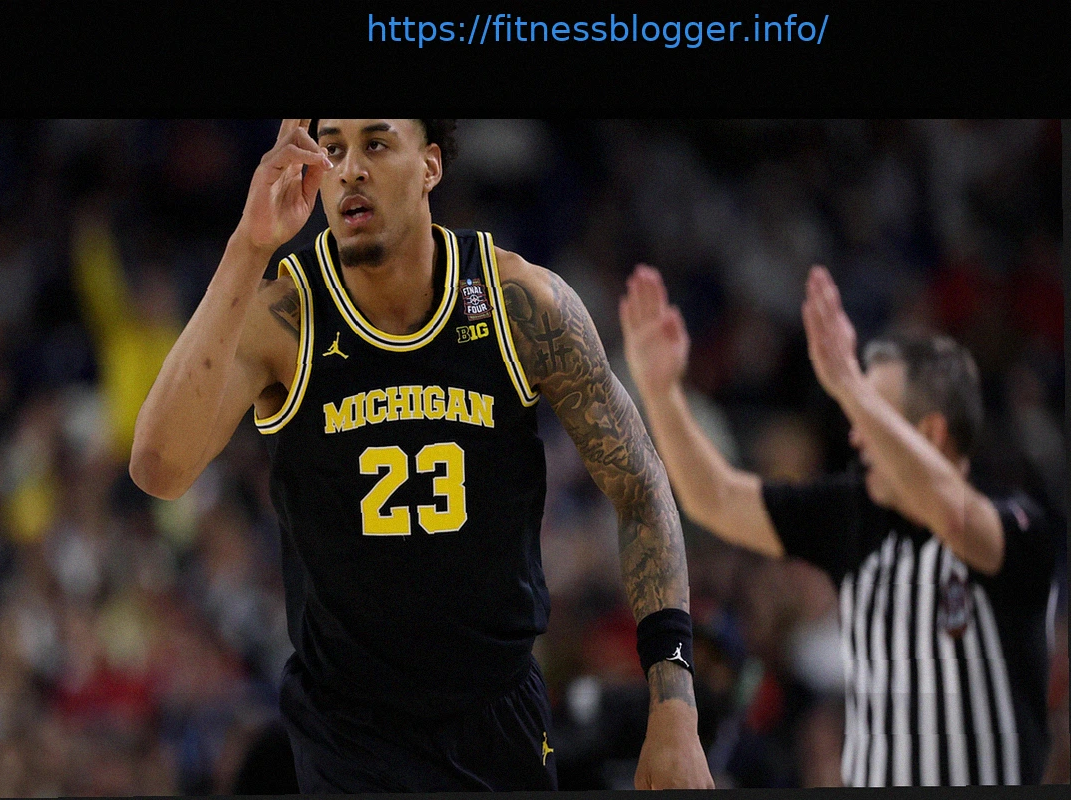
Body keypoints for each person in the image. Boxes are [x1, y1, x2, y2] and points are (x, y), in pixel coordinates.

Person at [129, 119, 714, 791]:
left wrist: (675, 708)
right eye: (333, 149)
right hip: (349, 730)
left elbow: (641, 487)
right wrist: (248, 246)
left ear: (430, 165)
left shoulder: (520, 302)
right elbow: (157, 468)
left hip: (500, 713)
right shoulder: (287, 315)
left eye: (376, 144)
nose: (350, 169)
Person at [620, 263, 1056, 786]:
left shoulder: (1021, 525)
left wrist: (848, 381)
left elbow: (955, 516)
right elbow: (715, 498)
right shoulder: (854, 512)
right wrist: (661, 393)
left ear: (931, 435)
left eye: (872, 413)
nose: (855, 435)